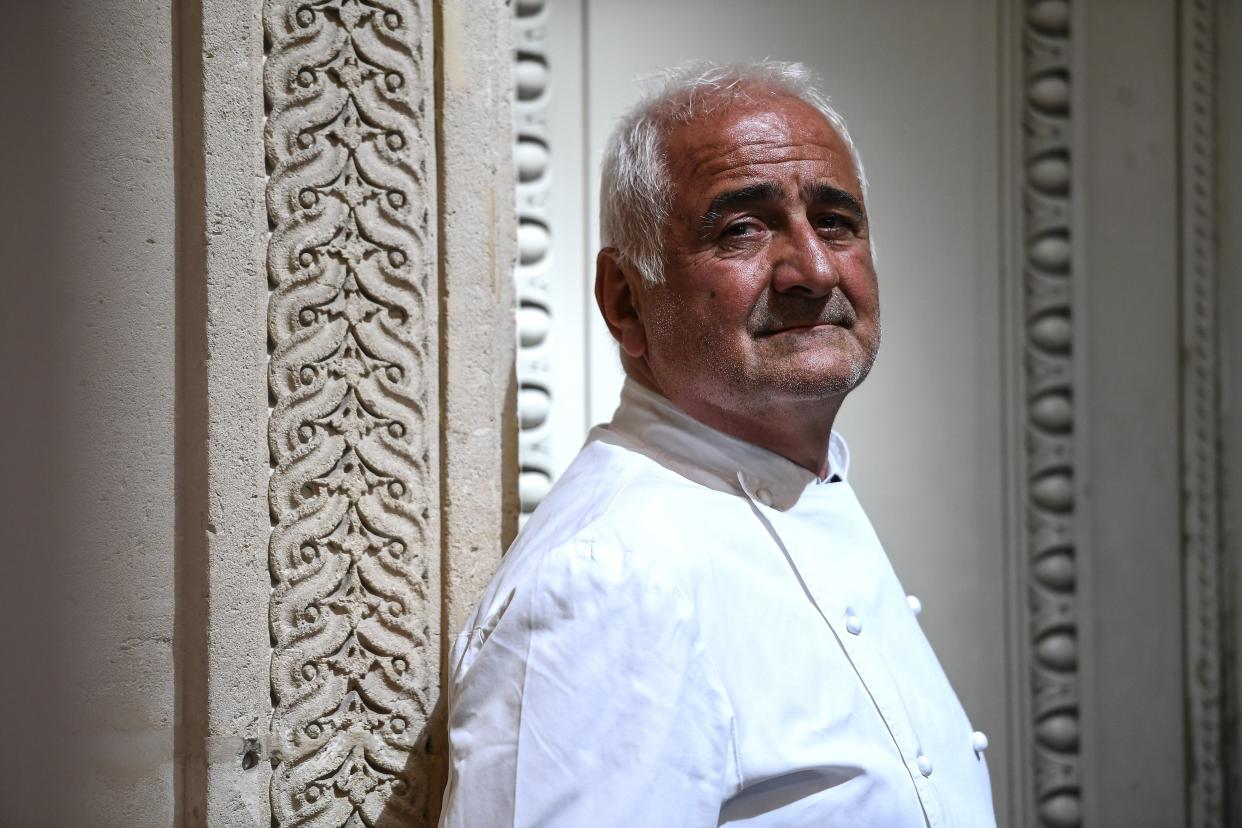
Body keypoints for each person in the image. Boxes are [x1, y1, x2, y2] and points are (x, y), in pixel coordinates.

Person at [438, 60, 996, 826]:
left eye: (835, 222)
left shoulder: (804, 481)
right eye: (743, 229)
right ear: (626, 301)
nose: (814, 269)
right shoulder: (611, 578)